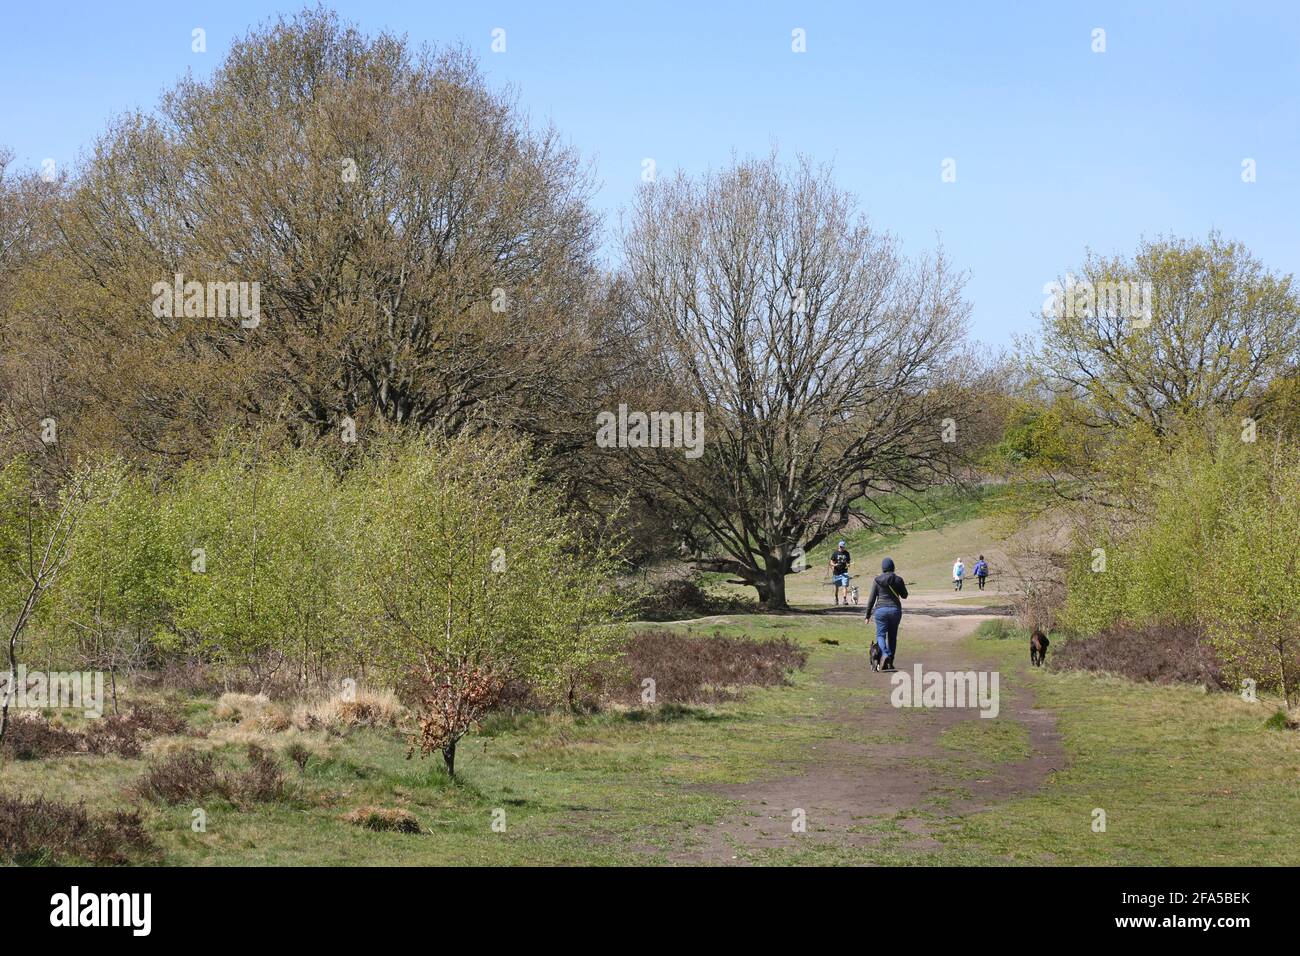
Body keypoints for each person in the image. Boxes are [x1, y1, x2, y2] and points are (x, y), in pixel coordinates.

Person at [864, 557, 908, 671]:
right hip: (895, 610)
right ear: (893, 567)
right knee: (892, 637)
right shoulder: (898, 579)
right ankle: (889, 662)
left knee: (880, 635)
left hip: (881, 611)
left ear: (883, 568)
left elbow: (871, 599)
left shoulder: (877, 580)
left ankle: (886, 654)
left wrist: (867, 615)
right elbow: (905, 595)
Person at [828, 540, 852, 605]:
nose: (842, 548)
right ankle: (836, 598)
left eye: (843, 547)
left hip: (844, 572)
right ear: (838, 546)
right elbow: (831, 562)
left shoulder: (847, 553)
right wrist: (834, 565)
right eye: (841, 547)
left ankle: (844, 600)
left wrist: (848, 564)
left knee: (845, 586)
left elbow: (848, 562)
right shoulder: (835, 553)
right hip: (836, 572)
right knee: (837, 587)